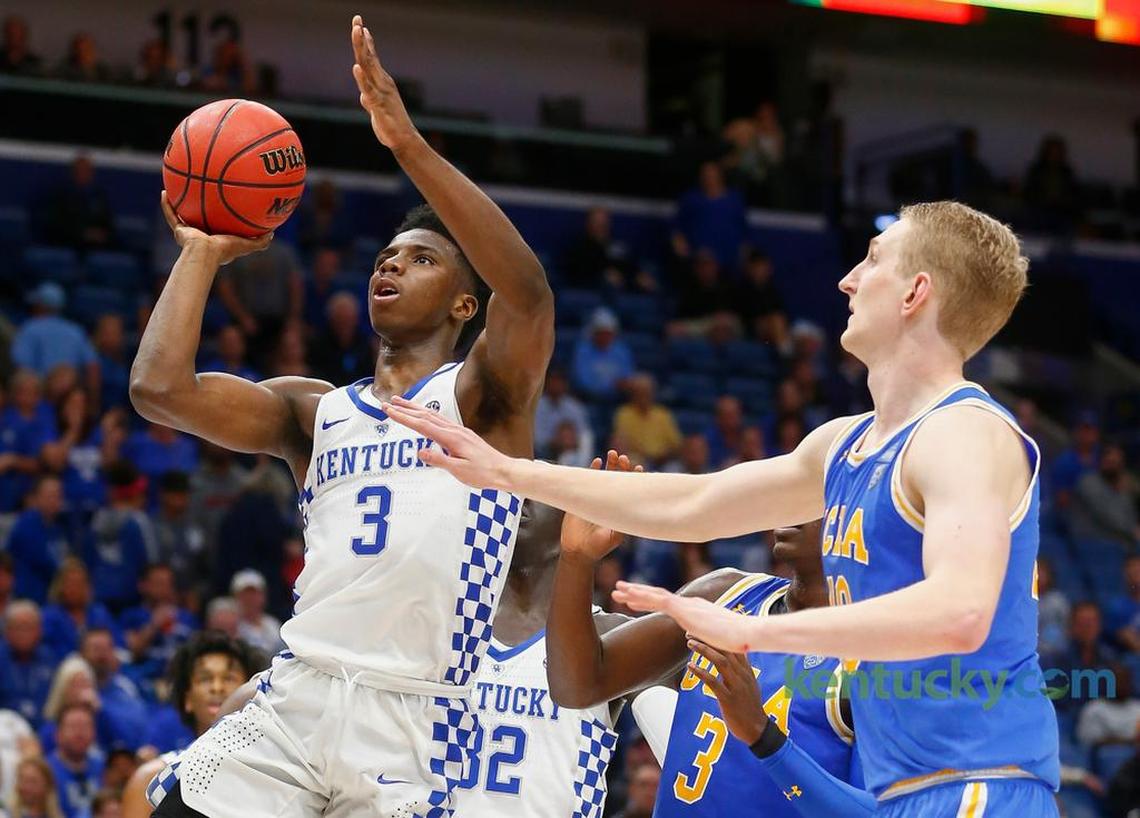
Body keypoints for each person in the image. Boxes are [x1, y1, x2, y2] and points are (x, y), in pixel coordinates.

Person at [384, 200, 1062, 816]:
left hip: (981, 785)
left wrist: (751, 634)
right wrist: (508, 471)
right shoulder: (845, 445)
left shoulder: (962, 432)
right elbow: (696, 501)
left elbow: (960, 613)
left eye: (873, 260)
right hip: (903, 793)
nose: (847, 280)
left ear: (916, 293)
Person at [133, 15, 553, 818]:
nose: (393, 263)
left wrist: (406, 145)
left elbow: (529, 293)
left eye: (422, 258)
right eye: (387, 257)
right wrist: (200, 254)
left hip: (416, 720)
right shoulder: (314, 410)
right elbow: (160, 390)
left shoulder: (485, 397)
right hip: (300, 695)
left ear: (466, 304)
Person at [546, 509, 864, 816]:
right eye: (794, 499)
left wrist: (762, 732)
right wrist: (576, 559)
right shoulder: (725, 593)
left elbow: (876, 812)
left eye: (817, 502)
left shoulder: (867, 662)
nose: (793, 510)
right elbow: (578, 686)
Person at [453, 466, 628, 816]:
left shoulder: (608, 632)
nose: (519, 498)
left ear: (578, 516)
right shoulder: (446, 623)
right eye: (510, 487)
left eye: (537, 487)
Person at [123, 632, 264, 817]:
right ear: (187, 699)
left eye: (229, 678)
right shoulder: (150, 778)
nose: (217, 688)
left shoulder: (270, 773)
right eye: (205, 679)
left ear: (249, 691)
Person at [85, 463, 155, 612]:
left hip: (99, 596)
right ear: (134, 493)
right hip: (133, 599)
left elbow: (88, 560)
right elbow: (150, 561)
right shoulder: (139, 521)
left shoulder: (96, 520)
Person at [10, 284, 99, 395]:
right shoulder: (76, 330)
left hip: (40, 396)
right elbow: (92, 368)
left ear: (41, 306)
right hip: (70, 398)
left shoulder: (30, 328)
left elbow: (21, 366)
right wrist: (92, 399)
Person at [119, 564, 196, 687]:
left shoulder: (187, 618)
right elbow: (132, 651)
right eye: (159, 583)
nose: (165, 589)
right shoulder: (131, 616)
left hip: (181, 680)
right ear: (143, 585)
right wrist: (154, 625)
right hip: (145, 680)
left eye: (169, 584)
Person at [6, 476, 71, 605]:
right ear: (36, 498)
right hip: (27, 596)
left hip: (50, 595)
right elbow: (44, 562)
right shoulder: (26, 524)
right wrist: (66, 573)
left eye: (58, 496)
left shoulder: (57, 527)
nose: (54, 500)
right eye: (49, 496)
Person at [41, 559, 120, 658]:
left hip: (101, 662)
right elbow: (45, 650)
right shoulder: (49, 616)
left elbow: (118, 641)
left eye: (79, 584)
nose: (75, 589)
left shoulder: (99, 613)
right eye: (70, 584)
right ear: (60, 587)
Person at [0, 601, 57, 727]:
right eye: (18, 628)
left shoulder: (50, 658)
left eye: (29, 627)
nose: (24, 633)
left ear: (40, 631)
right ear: (6, 631)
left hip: (44, 727)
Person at [42, 155, 115, 250]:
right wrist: (83, 233)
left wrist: (102, 234)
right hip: (67, 244)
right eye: (79, 170)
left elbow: (109, 224)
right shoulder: (61, 196)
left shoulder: (98, 197)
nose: (83, 174)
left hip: (96, 246)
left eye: (87, 171)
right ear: (73, 172)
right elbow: (55, 225)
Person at [610, 374, 682, 468]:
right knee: (632, 461)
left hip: (663, 461)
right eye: (640, 393)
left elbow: (676, 444)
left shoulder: (663, 414)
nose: (643, 397)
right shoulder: (624, 414)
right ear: (633, 394)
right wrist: (645, 456)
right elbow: (621, 442)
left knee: (675, 467)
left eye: (647, 393)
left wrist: (663, 456)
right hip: (637, 459)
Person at [46, 703, 104, 818]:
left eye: (85, 726)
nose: (80, 733)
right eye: (73, 727)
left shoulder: (105, 767)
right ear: (58, 735)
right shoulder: (46, 772)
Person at [308, 292, 374, 385]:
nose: (344, 324)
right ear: (331, 319)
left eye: (348, 319)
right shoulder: (318, 346)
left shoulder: (366, 345)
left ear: (355, 318)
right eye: (340, 318)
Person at [570, 308, 635, 403]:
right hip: (588, 398)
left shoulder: (621, 350)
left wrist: (622, 385)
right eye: (601, 333)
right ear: (593, 333)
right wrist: (611, 385)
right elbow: (582, 380)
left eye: (608, 334)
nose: (605, 337)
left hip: (618, 397)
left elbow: (628, 376)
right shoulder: (583, 350)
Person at [534, 367, 593, 463]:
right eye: (553, 381)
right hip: (544, 452)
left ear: (565, 384)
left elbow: (584, 435)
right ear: (546, 382)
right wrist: (558, 442)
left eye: (559, 381)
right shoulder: (537, 406)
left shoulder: (575, 407)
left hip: (572, 450)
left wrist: (569, 441)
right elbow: (537, 439)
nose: (556, 385)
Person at [230, 570, 283, 656]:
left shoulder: (273, 624)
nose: (250, 599)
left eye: (254, 594)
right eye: (245, 594)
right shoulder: (231, 625)